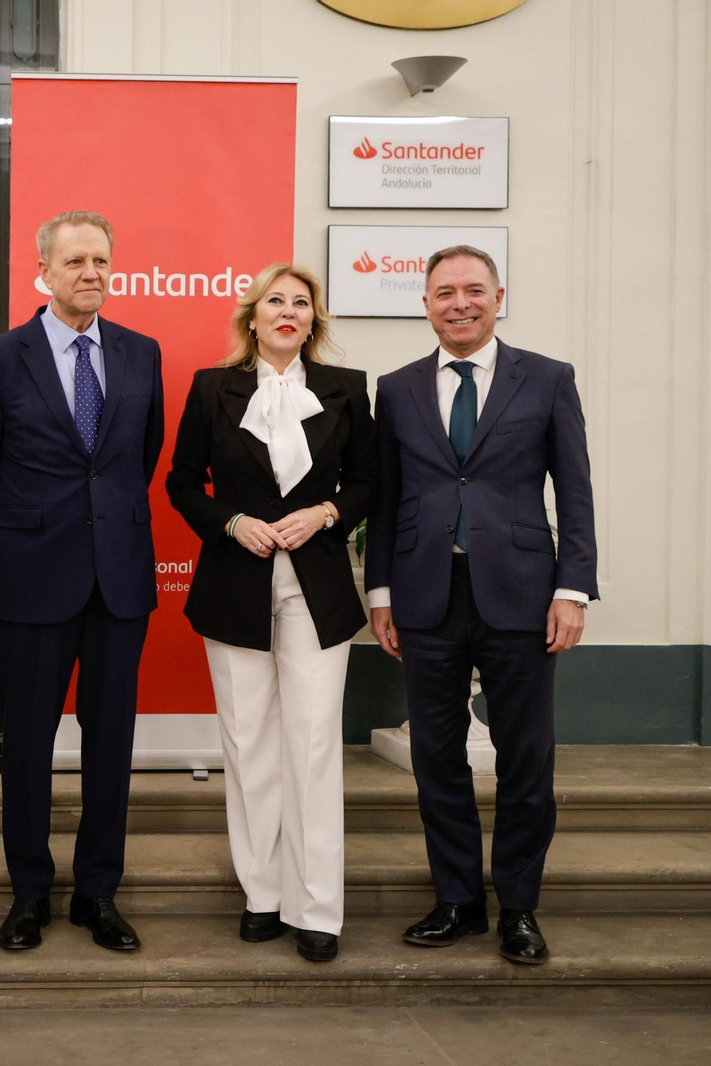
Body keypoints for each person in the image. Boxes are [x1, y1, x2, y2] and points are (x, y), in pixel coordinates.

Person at [365, 245, 597, 965]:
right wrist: (380, 592)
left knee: (526, 759)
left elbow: (575, 490)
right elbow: (386, 498)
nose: (458, 303)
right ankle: (458, 901)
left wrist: (572, 588)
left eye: (472, 290)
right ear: (425, 305)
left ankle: (518, 908)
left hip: (523, 596)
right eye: (444, 293)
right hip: (425, 596)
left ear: (498, 298)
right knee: (437, 759)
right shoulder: (397, 388)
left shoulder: (548, 378)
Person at [0, 210, 165, 952]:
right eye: (75, 260)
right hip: (29, 579)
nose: (91, 272)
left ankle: (97, 893)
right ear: (43, 271)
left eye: (101, 260)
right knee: (26, 746)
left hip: (119, 580)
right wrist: (37, 529)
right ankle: (28, 894)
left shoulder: (142, 352)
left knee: (111, 745)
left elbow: (140, 458)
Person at [166, 263, 376, 962]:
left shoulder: (347, 388)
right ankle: (262, 894)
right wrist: (230, 523)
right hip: (235, 585)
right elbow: (181, 482)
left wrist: (326, 513)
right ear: (252, 318)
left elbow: (370, 481)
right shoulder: (211, 388)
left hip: (317, 587)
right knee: (248, 742)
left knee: (313, 747)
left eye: (301, 303)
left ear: (313, 320)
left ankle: (317, 908)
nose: (289, 311)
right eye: (275, 301)